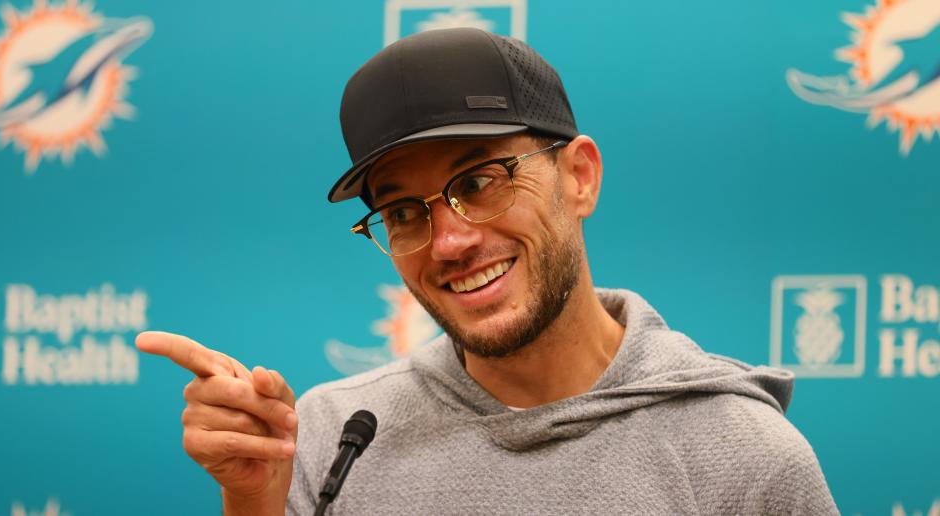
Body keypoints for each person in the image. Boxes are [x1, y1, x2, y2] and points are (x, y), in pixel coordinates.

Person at [135, 28, 839, 515]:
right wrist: (253, 503)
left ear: (580, 178)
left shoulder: (747, 460)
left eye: (480, 180)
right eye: (405, 212)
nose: (449, 241)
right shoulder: (335, 431)